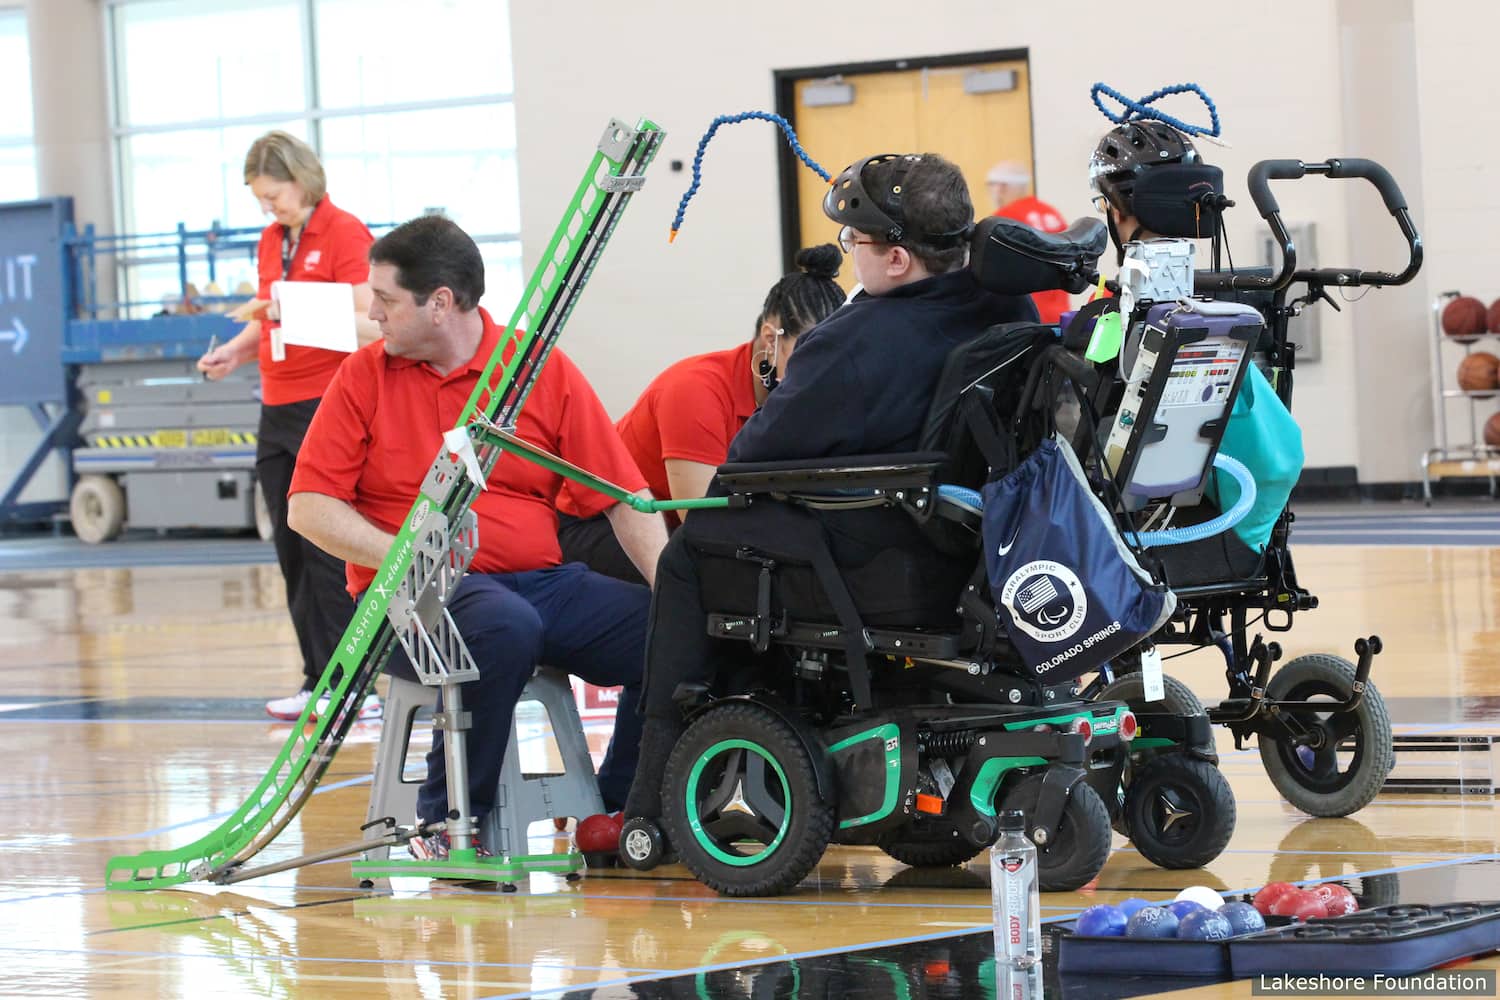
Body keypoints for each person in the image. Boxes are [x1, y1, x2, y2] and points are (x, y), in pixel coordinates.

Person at [621, 152, 1039, 825]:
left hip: (881, 553)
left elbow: (749, 463)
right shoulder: (1005, 303)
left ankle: (654, 793)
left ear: (897, 259)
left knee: (694, 550)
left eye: (856, 243)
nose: (851, 258)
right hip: (976, 545)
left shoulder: (856, 341)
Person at [286, 215, 667, 857]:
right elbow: (308, 507)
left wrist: (675, 591)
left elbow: (624, 498)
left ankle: (618, 808)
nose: (372, 314)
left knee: (669, 630)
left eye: (384, 300)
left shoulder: (537, 370)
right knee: (502, 625)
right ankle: (448, 823)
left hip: (539, 582)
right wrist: (405, 555)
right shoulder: (362, 378)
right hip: (411, 601)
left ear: (440, 303)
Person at [196, 130, 381, 722]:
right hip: (276, 405)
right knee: (292, 547)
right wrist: (235, 350)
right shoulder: (272, 240)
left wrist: (287, 307)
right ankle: (319, 678)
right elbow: (267, 315)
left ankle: (355, 683)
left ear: (301, 180)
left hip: (325, 402)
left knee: (328, 546)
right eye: (261, 199)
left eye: (273, 195)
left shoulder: (345, 232)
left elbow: (369, 318)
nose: (268, 208)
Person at [556, 244, 845, 583]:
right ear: (771, 338)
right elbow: (701, 521)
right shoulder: (695, 389)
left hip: (684, 524)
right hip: (602, 523)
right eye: (809, 354)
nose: (821, 373)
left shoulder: (811, 394)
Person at [986, 160, 1070, 325]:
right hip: (1060, 314)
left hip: (1026, 317)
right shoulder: (1052, 214)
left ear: (1001, 187)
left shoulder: (1005, 219)